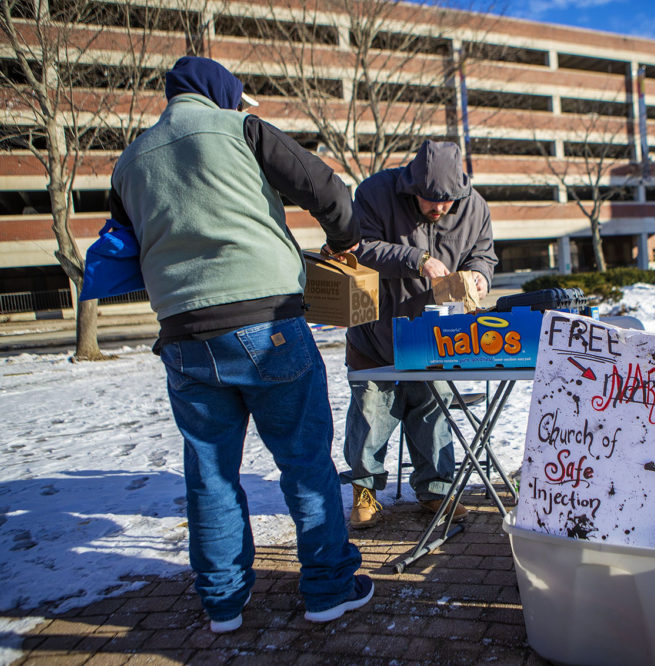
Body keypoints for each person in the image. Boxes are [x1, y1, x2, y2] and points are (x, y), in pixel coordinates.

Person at [108, 56, 372, 633]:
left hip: (181, 336)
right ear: (221, 94)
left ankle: (223, 601)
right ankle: (328, 588)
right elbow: (323, 186)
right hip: (265, 320)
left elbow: (121, 245)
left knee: (209, 473)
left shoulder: (129, 162)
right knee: (304, 463)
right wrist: (344, 241)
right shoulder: (240, 129)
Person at [340, 140, 498, 528]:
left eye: (447, 202)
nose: (438, 208)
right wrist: (419, 261)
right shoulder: (376, 192)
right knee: (371, 413)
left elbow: (485, 253)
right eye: (429, 200)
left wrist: (479, 274)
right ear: (412, 186)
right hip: (376, 331)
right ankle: (364, 493)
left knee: (434, 411)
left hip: (435, 335)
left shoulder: (475, 206)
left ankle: (435, 492)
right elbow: (360, 249)